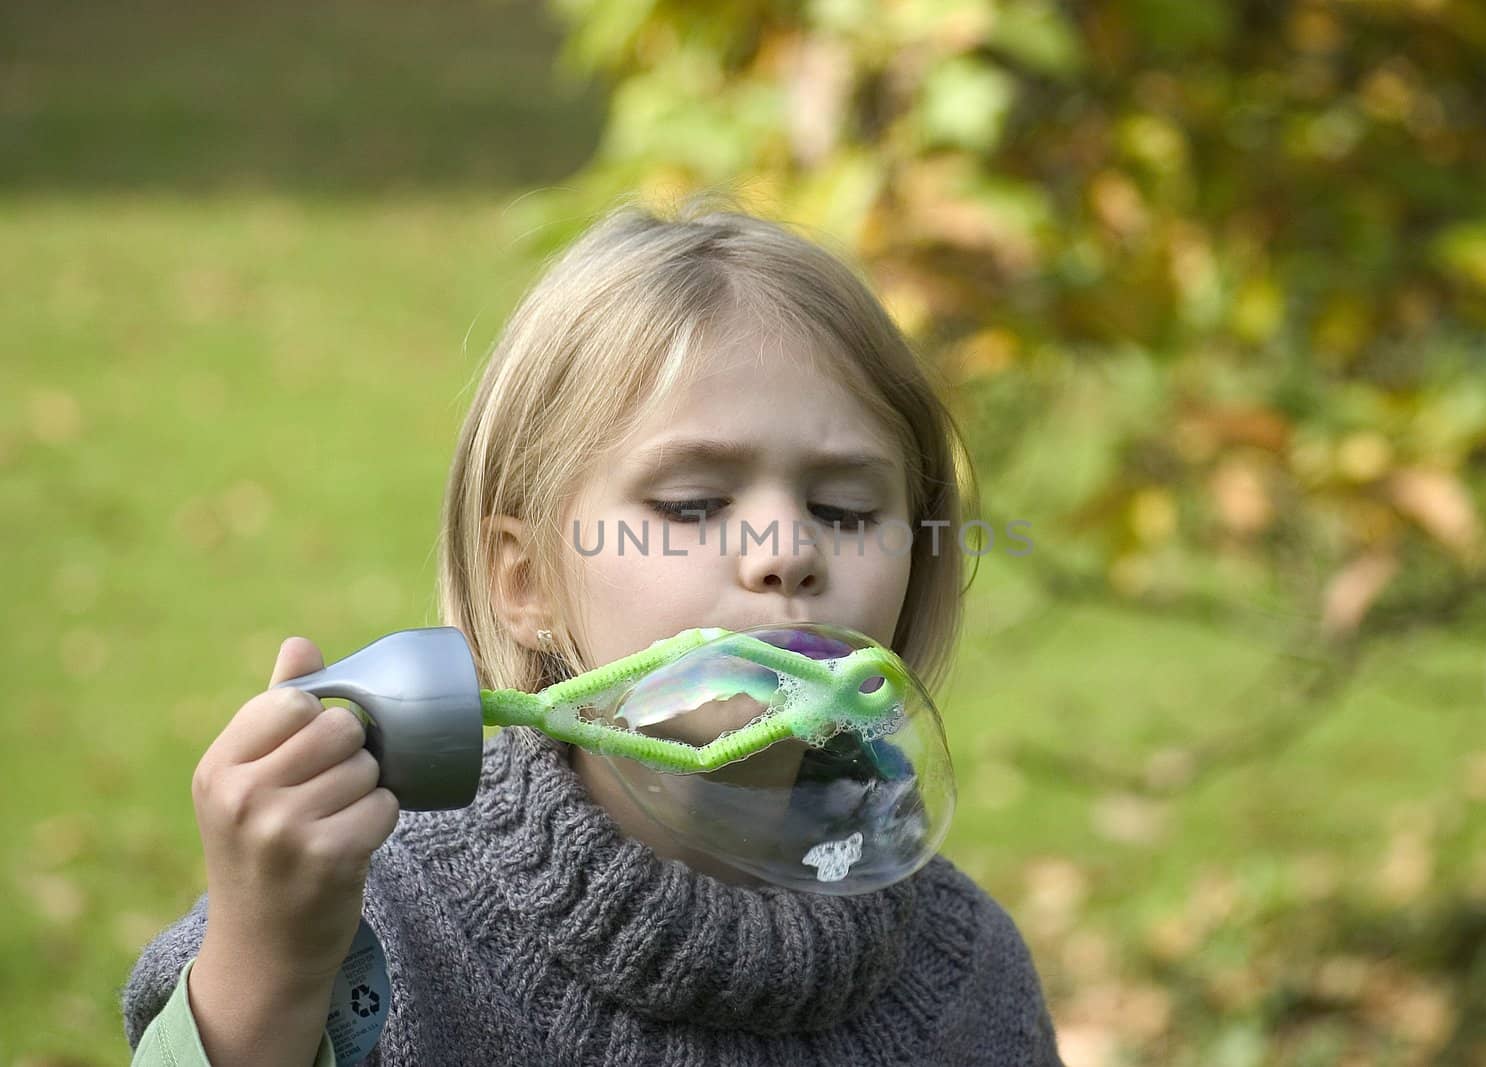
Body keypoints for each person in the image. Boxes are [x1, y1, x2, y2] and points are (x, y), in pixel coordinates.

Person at [120, 197, 1065, 1065]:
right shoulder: (375, 925)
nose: (787, 550)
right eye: (695, 502)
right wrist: (270, 963)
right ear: (524, 578)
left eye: (847, 508)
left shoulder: (970, 973)